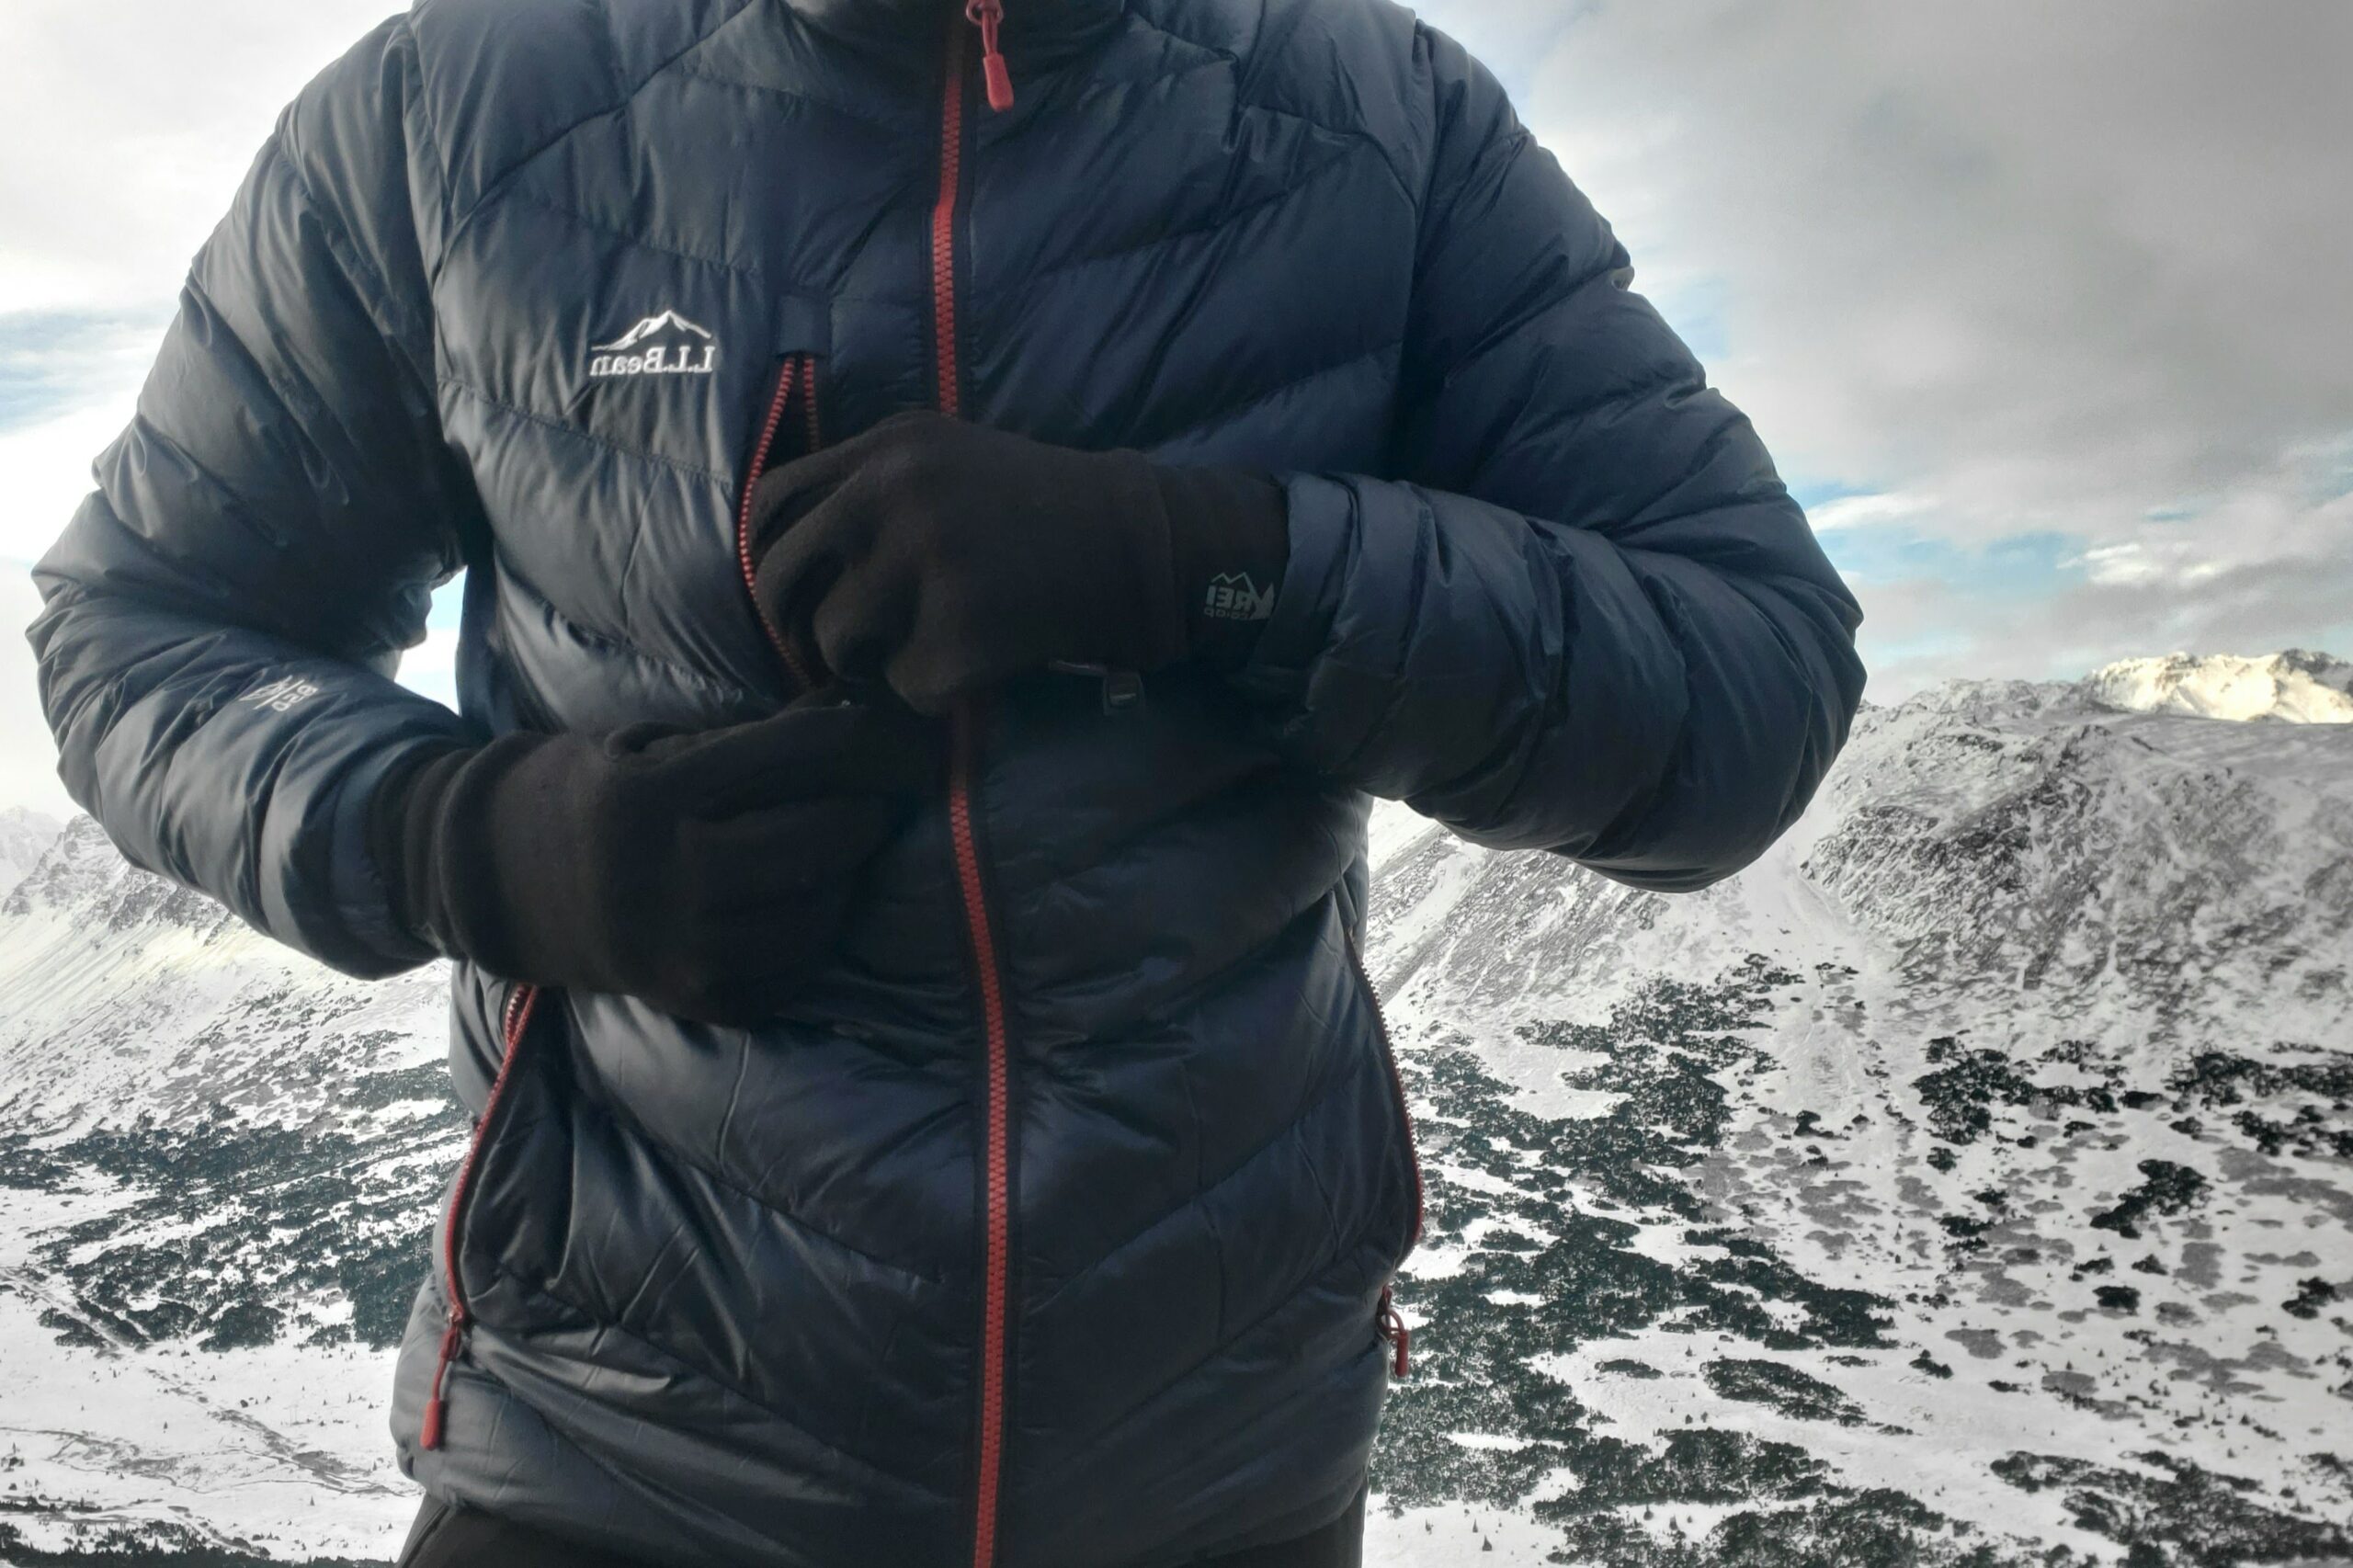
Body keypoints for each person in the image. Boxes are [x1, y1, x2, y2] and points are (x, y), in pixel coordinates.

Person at [27, 0, 1865, 1562]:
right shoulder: (459, 113)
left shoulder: (1372, 127)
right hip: (610, 1467)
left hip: (1210, 1492)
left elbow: (1741, 690)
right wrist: (471, 838)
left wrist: (1208, 563)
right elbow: (141, 632)